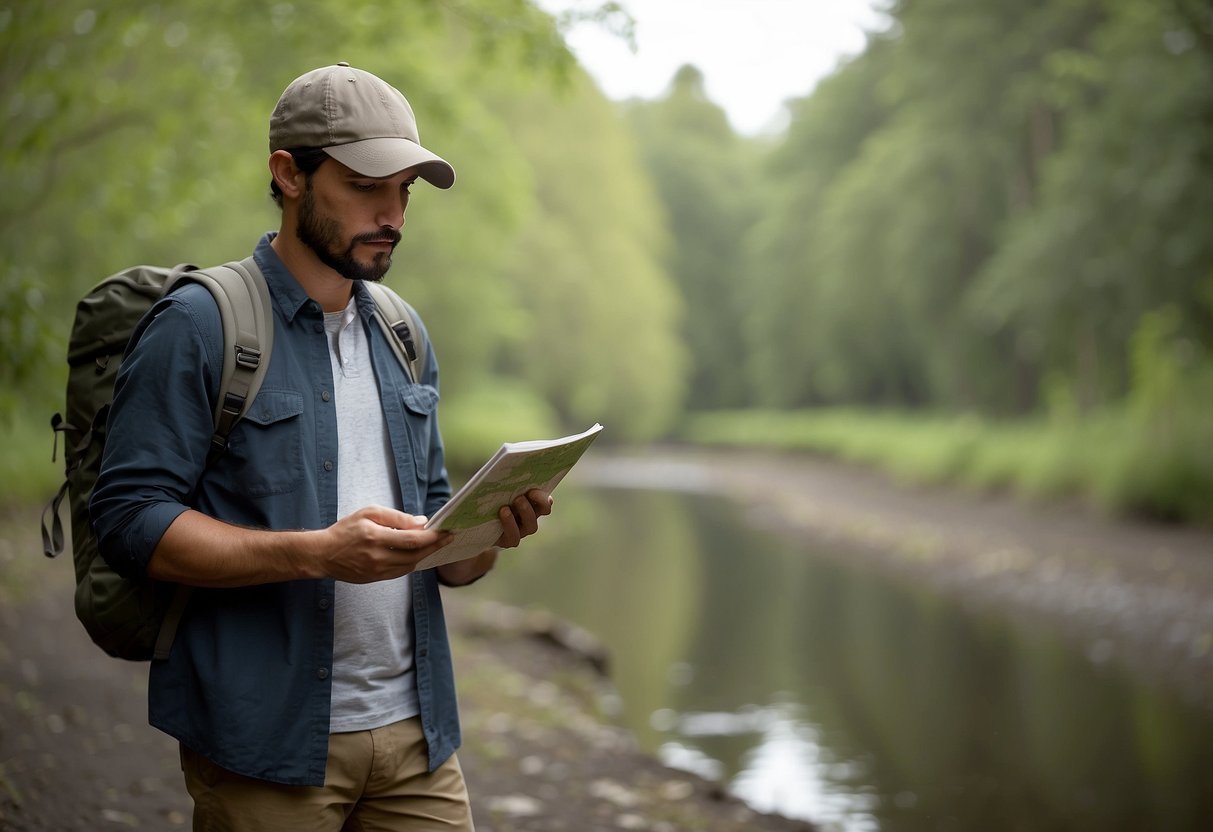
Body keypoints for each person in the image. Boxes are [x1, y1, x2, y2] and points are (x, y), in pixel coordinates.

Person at [90, 62, 552, 830]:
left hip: (417, 740)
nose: (393, 213)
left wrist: (489, 533)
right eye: (367, 186)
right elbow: (131, 522)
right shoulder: (200, 324)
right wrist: (316, 552)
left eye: (404, 189)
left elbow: (443, 544)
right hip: (262, 742)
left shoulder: (403, 334)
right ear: (289, 175)